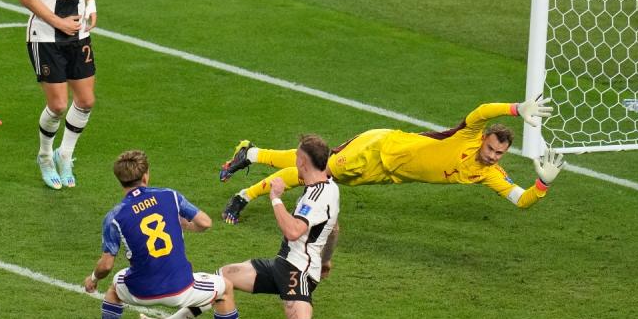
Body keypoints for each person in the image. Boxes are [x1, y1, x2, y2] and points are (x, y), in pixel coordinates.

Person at [141, 135, 387, 319]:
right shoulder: (329, 187)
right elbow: (333, 230)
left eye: (296, 157)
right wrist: (326, 260)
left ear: (302, 162)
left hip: (297, 270)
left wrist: (276, 197)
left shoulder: (315, 197)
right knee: (223, 280)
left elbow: (292, 231)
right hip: (287, 262)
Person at [219, 97, 565, 223]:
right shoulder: (469, 135)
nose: (491, 156)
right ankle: (245, 195)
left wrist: (543, 184)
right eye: (490, 148)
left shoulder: (488, 174)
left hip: (385, 175)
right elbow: (480, 111)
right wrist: (517, 110)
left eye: (498, 154)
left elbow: (521, 200)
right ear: (485, 139)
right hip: (379, 147)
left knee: (319, 168)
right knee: (317, 173)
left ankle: (249, 153)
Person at [83, 150, 262, 319]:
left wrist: (92, 279)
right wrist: (182, 224)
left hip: (140, 292)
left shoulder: (114, 216)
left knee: (114, 289)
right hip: (181, 290)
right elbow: (205, 223)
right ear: (146, 176)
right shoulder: (169, 195)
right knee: (225, 288)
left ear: (120, 180)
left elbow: (106, 265)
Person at [18, 0, 97, 190]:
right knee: (59, 105)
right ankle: (44, 156)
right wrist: (58, 22)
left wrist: (90, 3)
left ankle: (66, 155)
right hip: (45, 36)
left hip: (78, 32)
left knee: (86, 100)